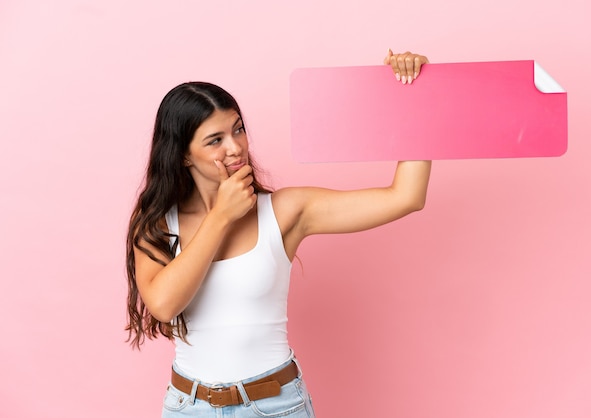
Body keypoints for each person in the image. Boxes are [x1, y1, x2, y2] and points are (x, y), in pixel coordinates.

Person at [125, 49, 431, 418]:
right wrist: (221, 215)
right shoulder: (157, 222)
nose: (235, 147)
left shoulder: (284, 211)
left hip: (276, 406)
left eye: (238, 129)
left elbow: (406, 197)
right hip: (189, 408)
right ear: (183, 155)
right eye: (214, 140)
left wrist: (416, 95)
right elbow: (163, 304)